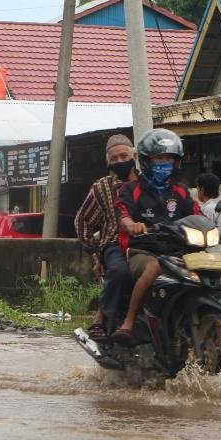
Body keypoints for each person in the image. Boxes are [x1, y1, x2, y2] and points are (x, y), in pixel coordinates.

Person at [112, 129, 221, 344]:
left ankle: (212, 324)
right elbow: (122, 213)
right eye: (159, 158)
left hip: (180, 250)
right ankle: (129, 322)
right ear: (146, 161)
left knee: (217, 271)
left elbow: (198, 216)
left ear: (176, 162)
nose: (164, 163)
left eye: (169, 158)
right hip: (144, 250)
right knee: (154, 268)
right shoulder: (130, 190)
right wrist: (131, 225)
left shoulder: (180, 192)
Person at [74, 134, 136, 339]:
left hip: (149, 243)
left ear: (134, 155)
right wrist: (95, 254)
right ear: (107, 162)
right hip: (114, 243)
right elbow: (82, 221)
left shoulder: (149, 184)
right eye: (114, 158)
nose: (119, 161)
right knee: (119, 272)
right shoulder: (102, 187)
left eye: (123, 156)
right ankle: (100, 318)